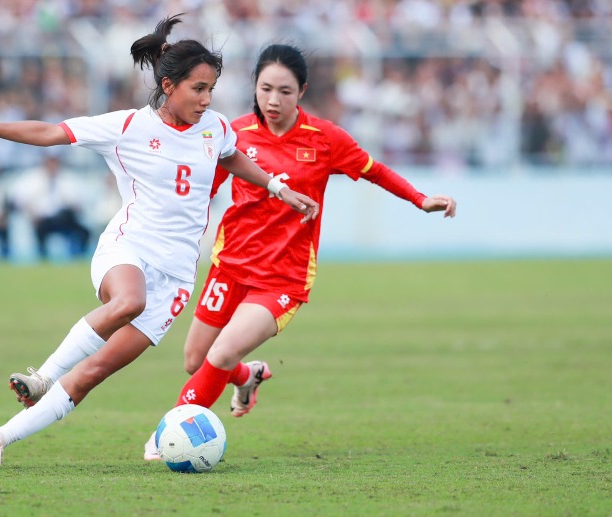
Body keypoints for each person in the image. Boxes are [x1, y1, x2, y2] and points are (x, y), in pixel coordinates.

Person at [0, 15, 319, 471]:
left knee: (91, 375)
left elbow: (232, 158)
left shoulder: (214, 128)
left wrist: (276, 187)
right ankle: (44, 375)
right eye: (198, 89)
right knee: (129, 300)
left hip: (174, 281)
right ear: (168, 85)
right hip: (127, 250)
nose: (207, 99)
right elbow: (52, 132)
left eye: (211, 89)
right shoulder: (128, 127)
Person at [138, 43, 457, 459]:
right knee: (196, 359)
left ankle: (171, 433)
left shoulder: (325, 139)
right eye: (266, 88)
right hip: (229, 266)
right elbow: (202, 189)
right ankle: (248, 376)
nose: (273, 100)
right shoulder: (231, 135)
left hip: (282, 279)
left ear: (301, 91)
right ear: (254, 88)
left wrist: (419, 198)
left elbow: (373, 170)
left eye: (285, 91)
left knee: (221, 352)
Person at [13, 155, 91, 260]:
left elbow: (76, 203)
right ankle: (43, 256)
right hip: (43, 220)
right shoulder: (32, 179)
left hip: (64, 219)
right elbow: (20, 200)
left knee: (84, 231)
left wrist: (73, 206)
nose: (52, 166)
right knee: (40, 226)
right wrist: (32, 213)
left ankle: (79, 256)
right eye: (50, 162)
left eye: (55, 163)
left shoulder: (68, 179)